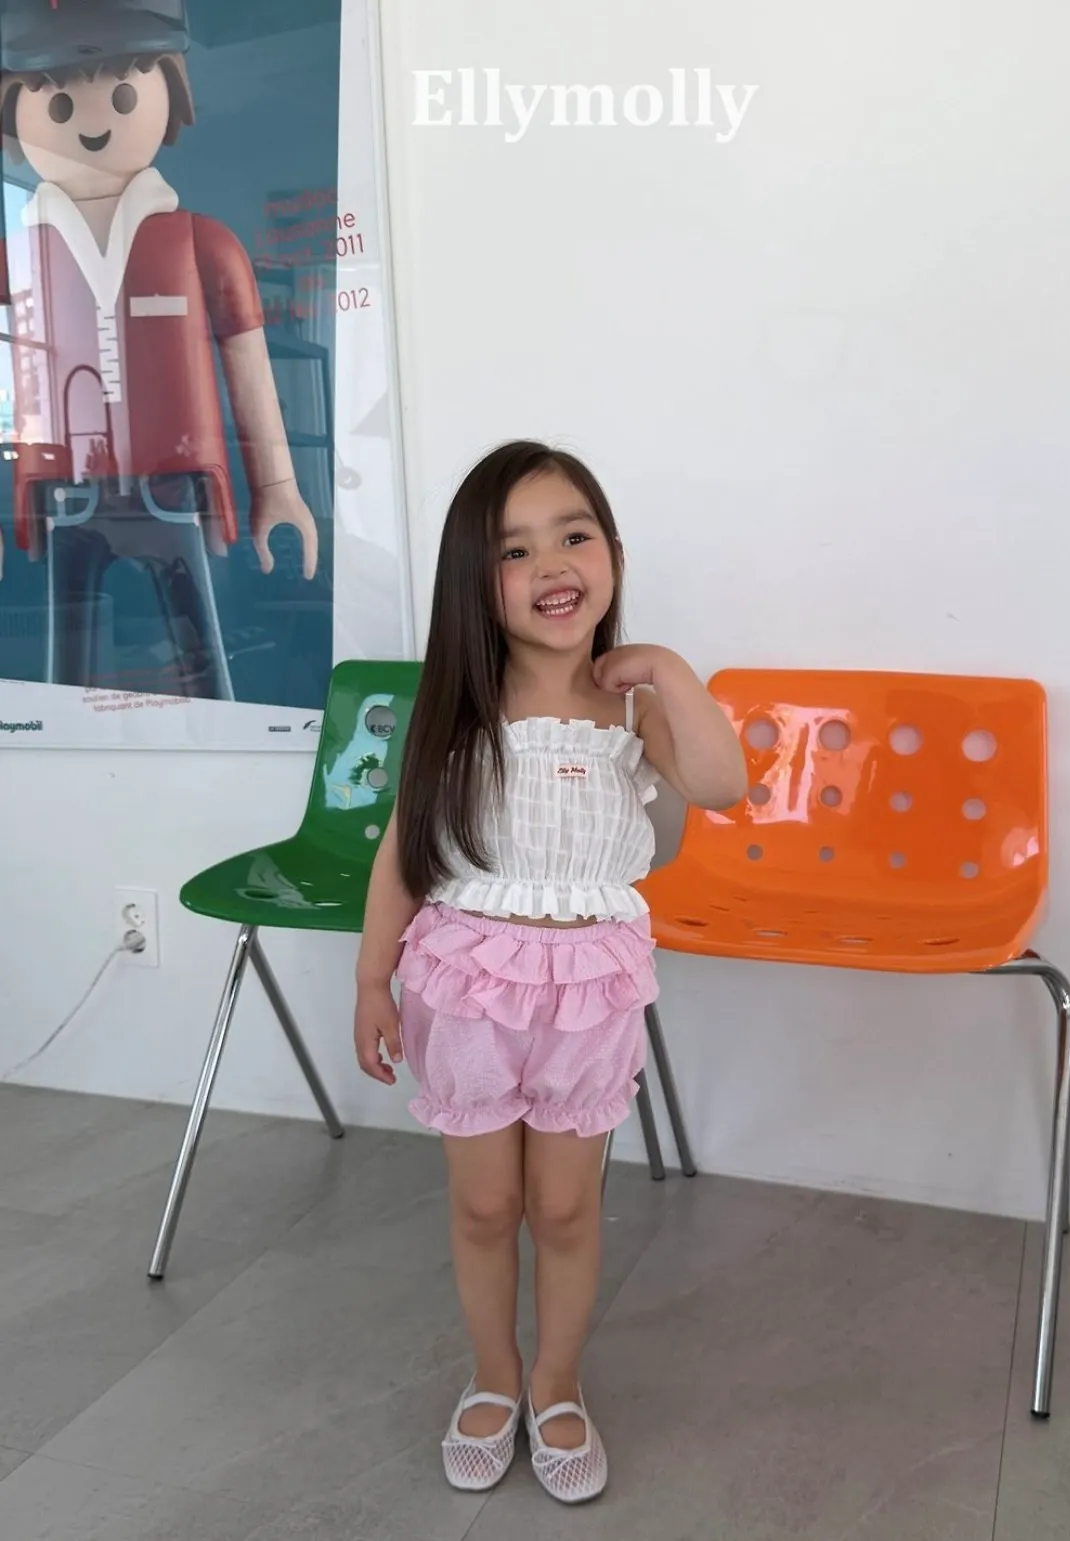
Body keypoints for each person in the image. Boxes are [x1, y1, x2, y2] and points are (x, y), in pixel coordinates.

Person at [354, 440, 747, 1503]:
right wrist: (372, 980)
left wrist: (668, 669)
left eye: (573, 534)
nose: (551, 563)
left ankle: (558, 1384)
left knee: (566, 1209)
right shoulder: (459, 709)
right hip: (466, 986)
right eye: (513, 549)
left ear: (612, 553)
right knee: (486, 1204)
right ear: (473, 582)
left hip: (589, 994)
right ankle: (494, 1375)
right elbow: (403, 854)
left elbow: (723, 784)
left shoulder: (634, 711)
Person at [0, 0, 318, 697]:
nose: (90, 123)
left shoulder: (202, 242)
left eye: (121, 96)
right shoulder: (19, 257)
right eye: (59, 104)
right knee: (64, 678)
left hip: (175, 495)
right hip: (65, 497)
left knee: (206, 668)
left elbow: (249, 367)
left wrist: (277, 489)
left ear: (169, 93)